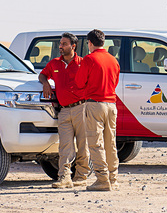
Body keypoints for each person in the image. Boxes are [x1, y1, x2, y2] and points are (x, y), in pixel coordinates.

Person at [39, 32, 90, 188]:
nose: (60, 47)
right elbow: (42, 75)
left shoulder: (83, 63)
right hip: (64, 111)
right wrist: (45, 83)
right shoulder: (54, 63)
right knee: (65, 146)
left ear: (73, 46)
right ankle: (64, 177)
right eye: (60, 44)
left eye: (64, 44)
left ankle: (81, 176)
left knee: (83, 144)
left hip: (81, 108)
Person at [75, 29, 120, 191]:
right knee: (110, 142)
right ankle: (113, 178)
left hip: (95, 104)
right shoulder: (113, 60)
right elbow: (115, 82)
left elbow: (79, 82)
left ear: (90, 43)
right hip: (111, 104)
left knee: (95, 143)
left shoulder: (89, 59)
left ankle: (102, 179)